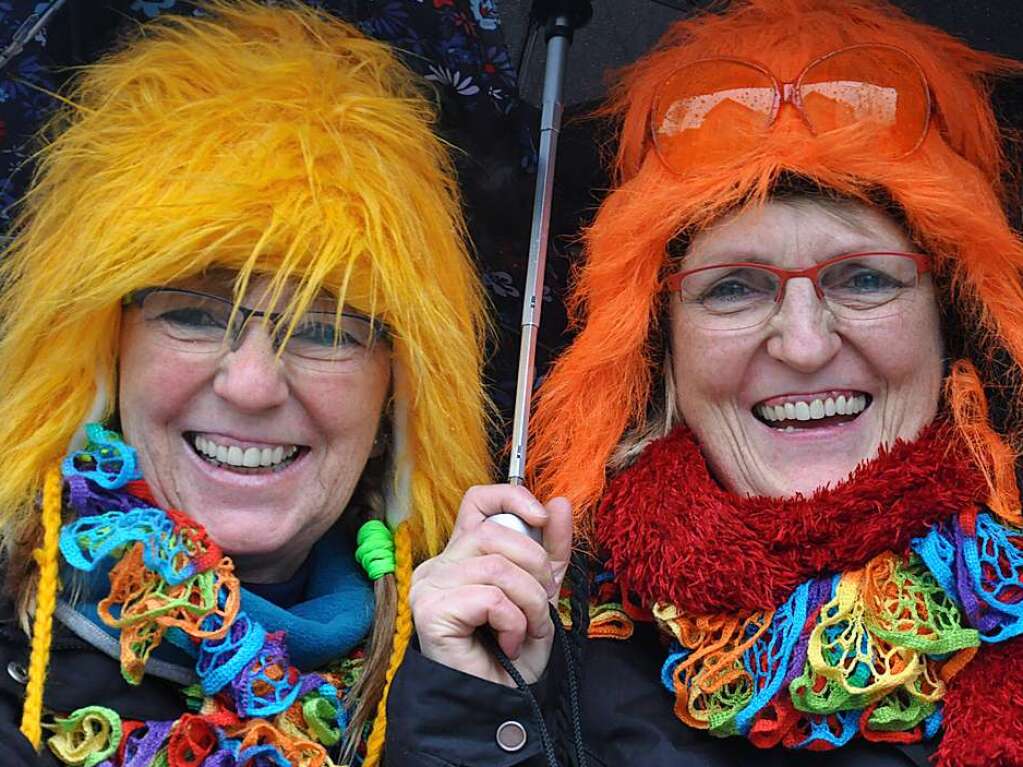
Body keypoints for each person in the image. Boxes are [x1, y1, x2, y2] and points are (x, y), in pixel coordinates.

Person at [386, 1, 1023, 766]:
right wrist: (477, 712)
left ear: (948, 315)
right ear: (657, 345)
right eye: (733, 288)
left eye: (860, 279)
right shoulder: (545, 630)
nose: (802, 342)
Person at [0, 2, 491, 765]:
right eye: (194, 313)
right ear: (102, 345)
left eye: (327, 327)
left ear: (400, 390)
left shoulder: (483, 670)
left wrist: (468, 723)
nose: (254, 384)